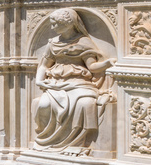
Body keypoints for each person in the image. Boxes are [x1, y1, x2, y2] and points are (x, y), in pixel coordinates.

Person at [33, 8, 115, 154]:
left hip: (79, 82)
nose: (52, 28)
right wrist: (39, 81)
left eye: (55, 24)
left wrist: (107, 63)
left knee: (85, 103)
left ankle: (78, 143)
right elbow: (44, 65)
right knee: (44, 104)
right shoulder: (52, 43)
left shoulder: (84, 42)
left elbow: (92, 67)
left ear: (68, 23)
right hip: (56, 83)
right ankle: (50, 142)